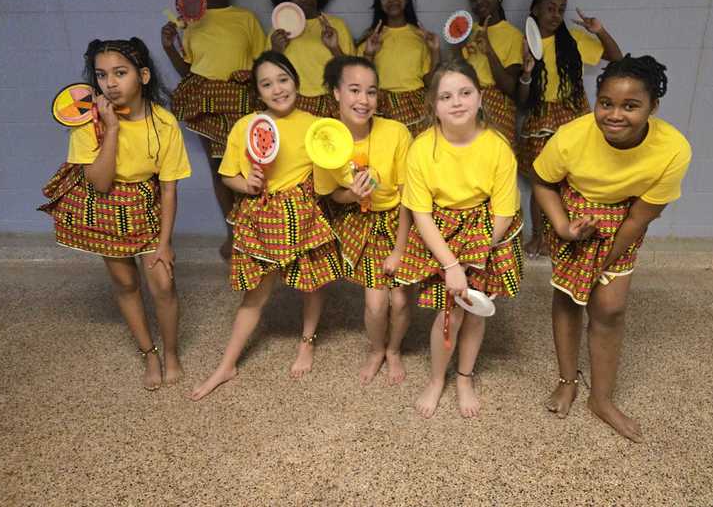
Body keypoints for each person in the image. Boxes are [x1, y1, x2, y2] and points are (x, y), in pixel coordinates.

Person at [531, 55, 691, 442]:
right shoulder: (571, 136)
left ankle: (601, 399)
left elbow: (639, 218)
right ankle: (568, 381)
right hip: (574, 213)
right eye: (606, 103)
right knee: (569, 299)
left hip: (625, 219)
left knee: (610, 307)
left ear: (653, 107)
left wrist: (601, 263)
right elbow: (541, 181)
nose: (615, 115)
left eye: (631, 106)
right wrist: (565, 229)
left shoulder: (673, 149)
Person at [39, 38, 191, 390]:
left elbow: (169, 187)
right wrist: (112, 130)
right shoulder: (87, 124)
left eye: (120, 73)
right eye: (102, 75)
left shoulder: (164, 122)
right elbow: (101, 182)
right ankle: (148, 354)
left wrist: (165, 243)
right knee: (125, 283)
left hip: (146, 206)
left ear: (144, 76)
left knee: (164, 285)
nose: (110, 83)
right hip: (105, 209)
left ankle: (171, 353)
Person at [190, 51, 341, 401]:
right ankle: (227, 363)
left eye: (283, 79)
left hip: (303, 216)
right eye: (267, 84)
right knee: (255, 294)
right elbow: (228, 174)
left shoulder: (316, 125)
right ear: (258, 93)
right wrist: (248, 185)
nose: (277, 89)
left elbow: (328, 175)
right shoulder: (247, 127)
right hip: (261, 219)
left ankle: (307, 343)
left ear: (296, 82)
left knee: (311, 284)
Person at [396, 60, 524, 418]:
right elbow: (420, 211)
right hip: (440, 230)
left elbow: (503, 211)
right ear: (433, 106)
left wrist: (474, 257)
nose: (457, 102)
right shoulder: (421, 148)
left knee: (475, 311)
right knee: (447, 312)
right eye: (446, 96)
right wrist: (451, 264)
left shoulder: (498, 147)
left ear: (480, 98)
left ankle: (465, 377)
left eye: (465, 92)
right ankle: (437, 379)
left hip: (486, 229)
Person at [314, 56, 413, 385]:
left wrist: (399, 250)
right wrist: (352, 195)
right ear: (337, 93)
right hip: (362, 222)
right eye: (354, 90)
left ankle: (394, 350)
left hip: (400, 222)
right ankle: (375, 350)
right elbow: (331, 195)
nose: (364, 100)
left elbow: (409, 198)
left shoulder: (397, 133)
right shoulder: (324, 141)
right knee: (375, 305)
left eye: (371, 92)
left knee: (398, 301)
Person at [161, 0, 266, 259]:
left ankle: (255, 231)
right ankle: (233, 234)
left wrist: (253, 73)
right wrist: (169, 46)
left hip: (241, 98)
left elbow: (263, 60)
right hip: (206, 101)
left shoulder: (245, 18)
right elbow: (187, 70)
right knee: (221, 169)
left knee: (250, 166)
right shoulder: (191, 23)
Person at [518, 0, 622, 258]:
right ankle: (539, 237)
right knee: (543, 181)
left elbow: (616, 58)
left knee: (575, 180)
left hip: (572, 115)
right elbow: (520, 93)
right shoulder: (524, 42)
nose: (556, 14)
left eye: (561, 9)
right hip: (540, 117)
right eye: (550, 8)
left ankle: (572, 233)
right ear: (535, 10)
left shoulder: (573, 39)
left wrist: (597, 30)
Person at [266, 0, 355, 117]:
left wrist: (334, 47)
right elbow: (266, 76)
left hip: (331, 103)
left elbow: (352, 74)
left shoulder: (337, 26)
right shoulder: (278, 30)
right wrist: (276, 50)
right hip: (292, 103)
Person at [357, 0, 440, 137]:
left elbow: (432, 83)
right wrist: (369, 54)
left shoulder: (420, 37)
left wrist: (435, 50)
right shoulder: (370, 39)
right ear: (379, 2)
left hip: (416, 109)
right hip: (381, 109)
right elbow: (360, 84)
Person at [458, 0, 523, 146]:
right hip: (468, 106)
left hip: (498, 110)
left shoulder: (513, 35)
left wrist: (489, 51)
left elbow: (510, 87)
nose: (479, 1)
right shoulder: (468, 33)